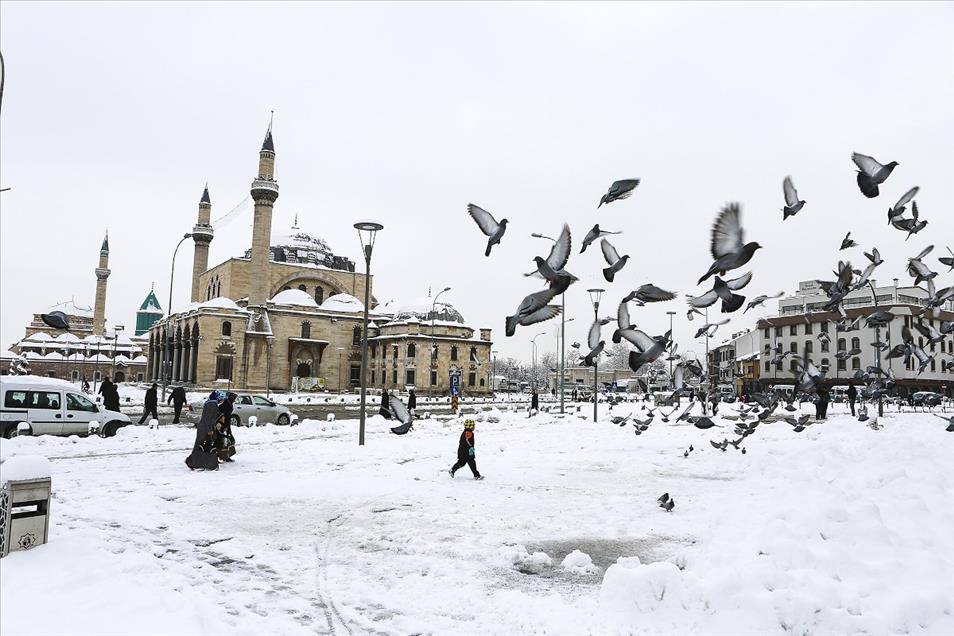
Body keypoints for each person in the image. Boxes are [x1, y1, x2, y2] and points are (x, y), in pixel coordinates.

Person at [185, 392, 221, 471]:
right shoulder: (212, 404)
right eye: (220, 398)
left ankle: (202, 462)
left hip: (205, 427)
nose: (221, 400)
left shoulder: (210, 403)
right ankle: (191, 461)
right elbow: (208, 418)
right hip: (205, 429)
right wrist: (210, 430)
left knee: (205, 445)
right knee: (200, 445)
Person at [216, 393, 236, 462]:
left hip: (226, 424)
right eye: (234, 399)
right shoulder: (226, 404)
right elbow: (225, 416)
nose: (234, 400)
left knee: (228, 441)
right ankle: (219, 456)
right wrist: (225, 426)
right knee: (221, 441)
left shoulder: (228, 403)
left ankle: (226, 456)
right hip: (223, 424)